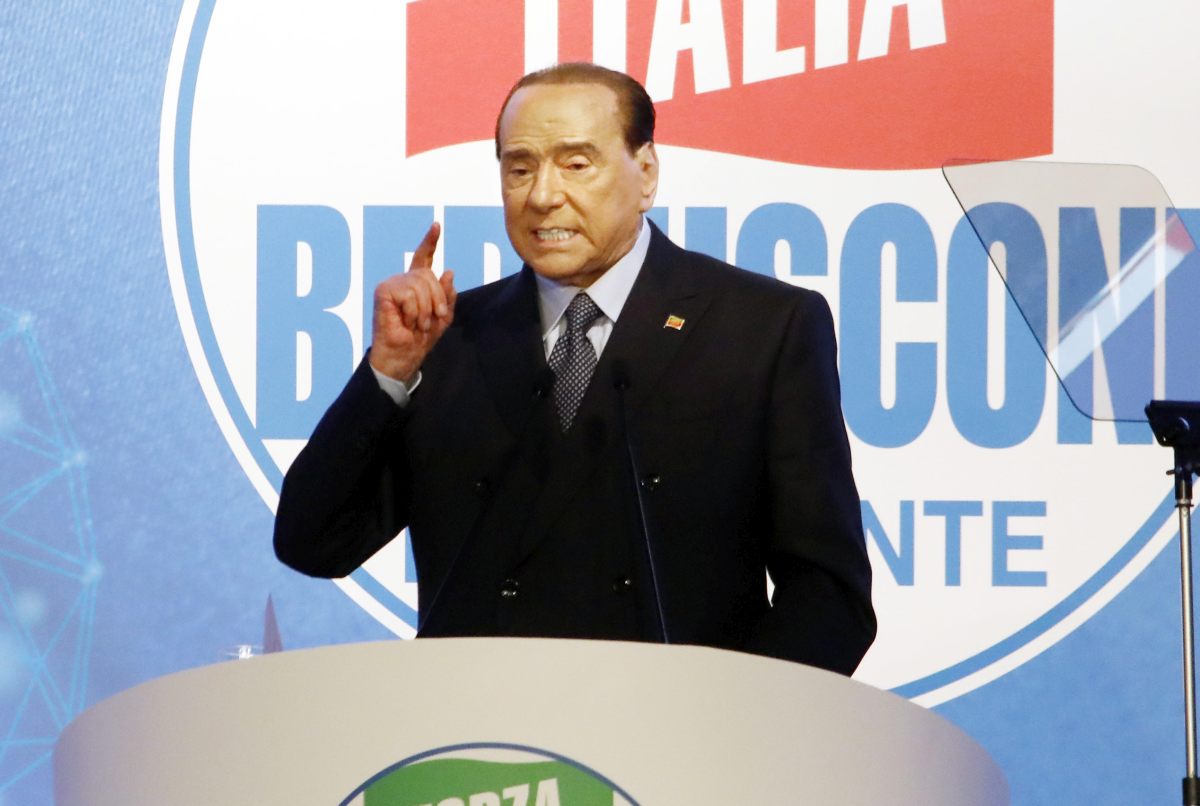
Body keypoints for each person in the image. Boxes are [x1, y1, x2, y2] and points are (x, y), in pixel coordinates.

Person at [274, 62, 875, 675]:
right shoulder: (449, 337)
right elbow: (313, 542)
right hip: (479, 724)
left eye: (577, 164)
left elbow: (828, 593)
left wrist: (741, 716)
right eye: (520, 168)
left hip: (678, 724)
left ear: (646, 174)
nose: (542, 195)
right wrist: (388, 372)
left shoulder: (760, 328)